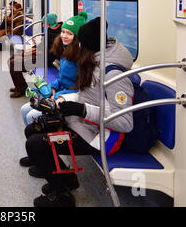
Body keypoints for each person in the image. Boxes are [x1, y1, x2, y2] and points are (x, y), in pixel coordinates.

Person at [23, 17, 134, 207]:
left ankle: (62, 197)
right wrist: (63, 102)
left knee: (36, 144)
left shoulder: (113, 74)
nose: (78, 46)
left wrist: (82, 110)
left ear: (89, 45)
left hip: (102, 138)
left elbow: (125, 123)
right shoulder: (95, 61)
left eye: (81, 43)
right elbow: (87, 97)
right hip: (85, 125)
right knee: (32, 129)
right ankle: (67, 180)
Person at [19, 12, 88, 126]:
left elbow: (78, 88)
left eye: (69, 34)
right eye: (63, 32)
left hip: (69, 98)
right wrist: (52, 88)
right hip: (60, 92)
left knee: (31, 116)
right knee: (24, 109)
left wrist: (55, 96)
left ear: (77, 37)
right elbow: (62, 79)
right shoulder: (65, 51)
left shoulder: (80, 58)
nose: (64, 36)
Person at [7, 13, 63, 98]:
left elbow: (49, 54)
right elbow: (42, 46)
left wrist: (33, 51)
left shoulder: (54, 35)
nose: (43, 26)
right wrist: (31, 50)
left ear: (50, 24)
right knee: (12, 59)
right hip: (41, 55)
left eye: (45, 24)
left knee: (14, 64)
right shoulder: (51, 31)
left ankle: (21, 89)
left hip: (46, 60)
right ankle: (20, 86)